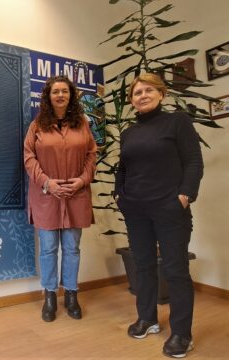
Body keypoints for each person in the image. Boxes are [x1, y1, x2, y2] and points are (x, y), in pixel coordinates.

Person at [114, 73, 203, 358]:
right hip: (136, 209)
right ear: (132, 101)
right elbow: (123, 167)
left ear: (161, 94)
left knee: (176, 270)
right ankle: (148, 319)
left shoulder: (178, 122)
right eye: (137, 92)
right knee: (143, 266)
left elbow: (193, 161)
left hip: (169, 208)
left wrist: (185, 195)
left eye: (148, 90)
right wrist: (120, 194)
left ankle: (181, 333)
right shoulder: (128, 132)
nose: (142, 95)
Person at [24, 75, 97, 322]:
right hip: (46, 196)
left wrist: (82, 180)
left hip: (76, 194)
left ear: (71, 95)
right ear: (48, 96)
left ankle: (72, 294)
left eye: (64, 91)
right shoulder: (37, 126)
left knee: (72, 248)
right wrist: (47, 182)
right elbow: (29, 157)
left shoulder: (82, 124)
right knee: (48, 249)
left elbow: (91, 154)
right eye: (55, 91)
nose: (60, 95)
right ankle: (50, 296)